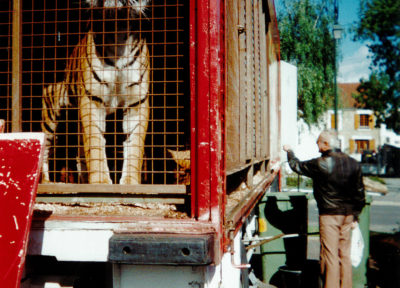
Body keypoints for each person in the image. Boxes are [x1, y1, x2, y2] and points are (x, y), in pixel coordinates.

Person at [283, 130, 365, 288]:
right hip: (348, 215)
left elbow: (296, 166)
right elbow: (360, 193)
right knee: (344, 255)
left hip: (329, 215)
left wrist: (290, 151)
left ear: (327, 144)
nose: (317, 145)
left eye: (319, 142)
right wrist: (355, 215)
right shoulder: (353, 163)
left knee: (330, 255)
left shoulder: (320, 163)